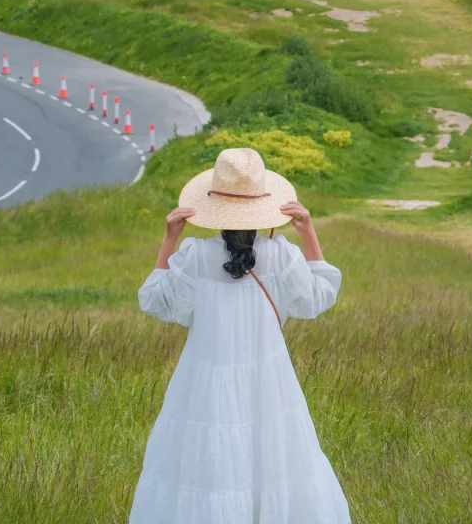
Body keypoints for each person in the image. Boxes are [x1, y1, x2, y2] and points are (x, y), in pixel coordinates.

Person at [130, 147, 350, 523]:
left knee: (211, 464)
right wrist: (309, 233)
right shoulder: (282, 256)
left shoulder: (194, 256)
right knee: (274, 463)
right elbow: (318, 298)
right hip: (270, 381)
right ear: (263, 208)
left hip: (204, 385)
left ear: (214, 207)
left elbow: (156, 302)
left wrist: (169, 240)